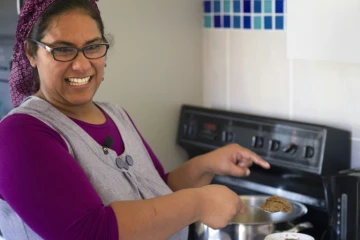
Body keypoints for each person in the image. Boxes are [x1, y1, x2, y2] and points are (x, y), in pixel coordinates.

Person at [0, 0, 270, 239]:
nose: (81, 65)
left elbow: (157, 196)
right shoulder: (18, 135)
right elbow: (90, 232)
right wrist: (199, 203)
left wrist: (206, 165)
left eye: (93, 47)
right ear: (31, 53)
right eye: (62, 49)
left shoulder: (116, 115)